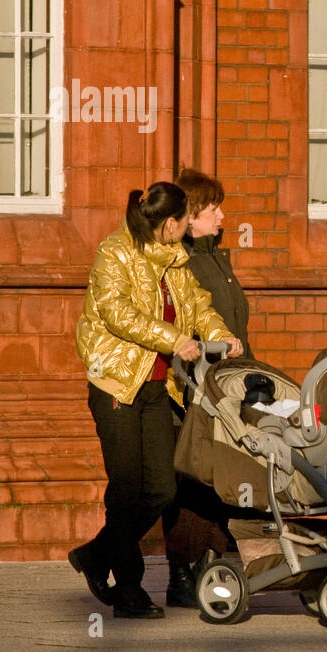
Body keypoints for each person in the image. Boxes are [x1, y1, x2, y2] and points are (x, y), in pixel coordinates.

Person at [70, 182, 241, 619]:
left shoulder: (176, 260)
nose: (187, 229)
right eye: (185, 221)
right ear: (170, 224)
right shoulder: (116, 252)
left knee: (163, 488)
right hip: (117, 385)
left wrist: (219, 333)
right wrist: (175, 339)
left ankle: (96, 554)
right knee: (127, 490)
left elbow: (198, 305)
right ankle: (129, 590)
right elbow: (117, 313)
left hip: (158, 389)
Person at [159, 168, 252, 608]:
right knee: (193, 480)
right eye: (212, 208)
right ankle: (182, 572)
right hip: (192, 390)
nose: (221, 215)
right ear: (190, 216)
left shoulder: (217, 259)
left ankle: (208, 564)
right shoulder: (183, 261)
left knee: (224, 477)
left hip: (227, 389)